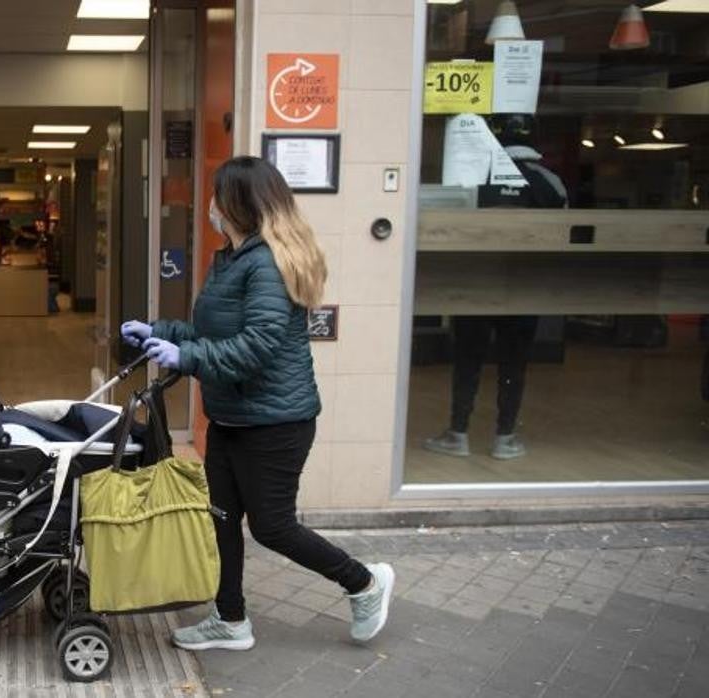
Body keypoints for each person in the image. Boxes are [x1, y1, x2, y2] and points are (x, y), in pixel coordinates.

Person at [120, 156, 394, 650]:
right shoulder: (231, 257)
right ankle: (230, 620)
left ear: (238, 205)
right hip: (231, 416)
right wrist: (160, 333)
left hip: (275, 422)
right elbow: (213, 334)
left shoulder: (266, 262)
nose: (209, 207)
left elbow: (257, 346)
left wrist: (185, 354)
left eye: (216, 197)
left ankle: (365, 583)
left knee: (273, 527)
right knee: (222, 519)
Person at [424, 115, 567, 460]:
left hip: (473, 283)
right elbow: (563, 234)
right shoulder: (550, 183)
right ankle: (506, 437)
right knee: (514, 363)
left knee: (468, 360)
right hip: (524, 288)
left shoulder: (475, 176)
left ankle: (458, 433)